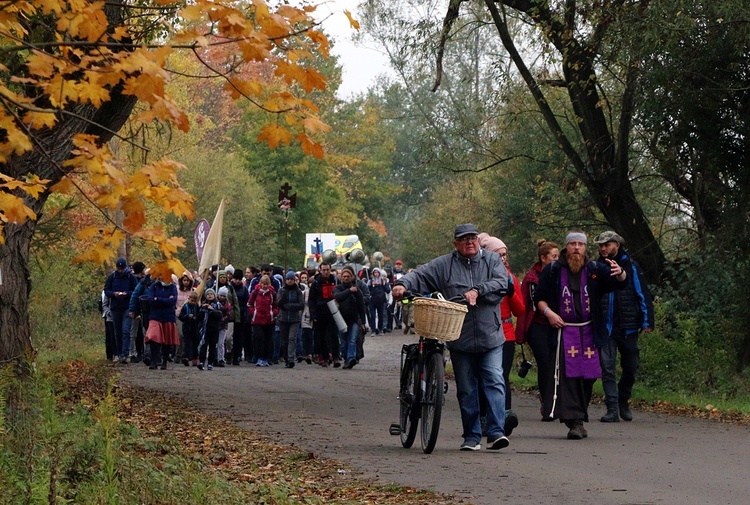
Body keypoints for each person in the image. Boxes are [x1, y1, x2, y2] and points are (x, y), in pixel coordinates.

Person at [393, 223, 510, 451]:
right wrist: (401, 284)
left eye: (473, 238)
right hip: (459, 335)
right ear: (456, 243)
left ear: (478, 240)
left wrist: (478, 290)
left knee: (495, 381)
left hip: (490, 335)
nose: (469, 242)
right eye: (464, 239)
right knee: (466, 388)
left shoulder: (492, 261)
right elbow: (419, 275)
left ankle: (496, 432)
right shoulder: (445, 264)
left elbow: (501, 282)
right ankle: (472, 436)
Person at [533, 230, 627, 439]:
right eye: (573, 244)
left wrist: (620, 273)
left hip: (589, 331)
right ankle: (574, 422)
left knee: (588, 377)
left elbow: (618, 283)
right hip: (564, 332)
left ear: (585, 248)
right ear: (567, 247)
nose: (576, 248)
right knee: (569, 378)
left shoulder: (595, 269)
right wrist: (549, 314)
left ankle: (579, 417)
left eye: (581, 244)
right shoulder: (553, 271)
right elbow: (539, 298)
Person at [594, 231, 655, 422]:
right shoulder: (595, 267)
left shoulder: (631, 265)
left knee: (631, 366)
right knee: (607, 367)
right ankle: (612, 408)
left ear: (617, 245)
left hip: (628, 325)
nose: (603, 248)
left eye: (607, 244)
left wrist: (647, 321)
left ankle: (623, 400)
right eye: (601, 245)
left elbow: (642, 293)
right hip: (606, 326)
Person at [478, 233, 525, 436]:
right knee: (483, 377)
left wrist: (512, 291)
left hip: (506, 334)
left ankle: (504, 415)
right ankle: (483, 417)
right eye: (498, 255)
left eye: (505, 254)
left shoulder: (511, 278)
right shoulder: (479, 278)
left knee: (502, 377)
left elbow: (520, 310)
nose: (503, 259)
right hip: (484, 332)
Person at [515, 239, 559, 419]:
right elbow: (526, 305)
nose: (557, 260)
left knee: (556, 363)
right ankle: (547, 403)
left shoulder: (561, 274)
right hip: (537, 325)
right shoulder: (532, 278)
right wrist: (522, 333)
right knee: (545, 363)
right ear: (543, 258)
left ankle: (557, 401)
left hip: (557, 324)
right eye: (554, 257)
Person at [103, 257, 138, 364]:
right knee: (117, 332)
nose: (121, 270)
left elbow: (136, 290)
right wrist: (114, 294)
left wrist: (127, 293)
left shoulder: (131, 277)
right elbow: (106, 290)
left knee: (126, 331)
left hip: (127, 307)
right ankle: (117, 353)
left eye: (122, 268)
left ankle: (124, 353)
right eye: (119, 268)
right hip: (115, 307)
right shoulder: (112, 277)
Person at [308, 262, 341, 368]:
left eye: (328, 269)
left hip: (333, 311)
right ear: (320, 270)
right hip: (320, 312)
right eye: (324, 270)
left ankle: (336, 357)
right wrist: (313, 315)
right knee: (321, 336)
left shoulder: (335, 281)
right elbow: (311, 300)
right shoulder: (316, 283)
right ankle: (325, 357)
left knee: (334, 335)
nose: (326, 272)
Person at [334, 265, 367, 369]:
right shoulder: (337, 288)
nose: (346, 278)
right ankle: (345, 357)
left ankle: (351, 358)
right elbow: (338, 297)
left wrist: (363, 322)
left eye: (348, 276)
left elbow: (362, 306)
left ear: (352, 277)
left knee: (352, 339)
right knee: (343, 342)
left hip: (354, 320)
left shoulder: (357, 290)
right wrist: (349, 291)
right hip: (341, 320)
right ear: (341, 277)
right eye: (344, 276)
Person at [144, 276, 179, 370]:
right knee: (154, 337)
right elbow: (150, 300)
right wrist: (165, 299)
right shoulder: (154, 286)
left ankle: (164, 362)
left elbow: (173, 301)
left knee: (167, 340)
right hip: (155, 315)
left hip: (168, 316)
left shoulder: (173, 287)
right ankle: (154, 361)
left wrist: (158, 299)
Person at [248, 275, 278, 367]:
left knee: (268, 340)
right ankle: (259, 357)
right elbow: (250, 304)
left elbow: (276, 306)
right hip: (257, 320)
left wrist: (272, 314)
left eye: (267, 284)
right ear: (260, 283)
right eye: (263, 284)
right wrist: (253, 313)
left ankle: (266, 358)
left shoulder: (273, 294)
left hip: (269, 320)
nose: (265, 286)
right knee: (258, 338)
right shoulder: (255, 293)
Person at [277, 270, 305, 368]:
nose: (289, 281)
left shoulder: (298, 291)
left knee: (292, 338)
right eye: (288, 279)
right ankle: (286, 358)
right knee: (284, 341)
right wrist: (282, 300)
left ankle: (291, 358)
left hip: (294, 319)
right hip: (283, 319)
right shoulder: (281, 290)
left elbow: (301, 305)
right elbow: (279, 304)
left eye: (291, 279)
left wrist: (289, 306)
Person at [197, 288, 222, 370]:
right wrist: (202, 310)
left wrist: (212, 310)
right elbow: (199, 317)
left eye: (211, 294)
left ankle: (210, 363)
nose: (209, 295)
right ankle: (201, 361)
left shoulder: (217, 305)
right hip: (205, 329)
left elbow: (219, 316)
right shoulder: (203, 304)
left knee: (212, 347)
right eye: (208, 294)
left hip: (214, 329)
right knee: (203, 346)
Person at [230, 269, 250, 366]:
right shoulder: (229, 288)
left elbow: (247, 302)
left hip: (241, 315)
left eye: (239, 279)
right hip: (230, 315)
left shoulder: (244, 289)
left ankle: (236, 356)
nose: (237, 281)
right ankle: (228, 354)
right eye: (235, 279)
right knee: (229, 337)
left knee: (238, 337)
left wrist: (245, 314)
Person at [178, 291, 201, 366]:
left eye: (195, 301)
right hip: (187, 328)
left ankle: (194, 358)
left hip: (195, 328)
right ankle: (186, 357)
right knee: (187, 344)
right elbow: (181, 316)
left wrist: (195, 318)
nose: (193, 302)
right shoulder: (185, 307)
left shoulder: (197, 307)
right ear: (189, 299)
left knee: (195, 344)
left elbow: (199, 316)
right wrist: (187, 317)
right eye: (192, 300)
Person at [367, 268, 390, 336]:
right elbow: (367, 291)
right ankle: (373, 330)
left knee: (381, 315)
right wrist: (371, 286)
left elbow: (388, 290)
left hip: (381, 300)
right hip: (372, 301)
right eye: (375, 272)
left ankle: (380, 329)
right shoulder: (370, 281)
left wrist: (383, 284)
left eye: (377, 272)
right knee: (373, 316)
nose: (376, 274)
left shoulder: (383, 281)